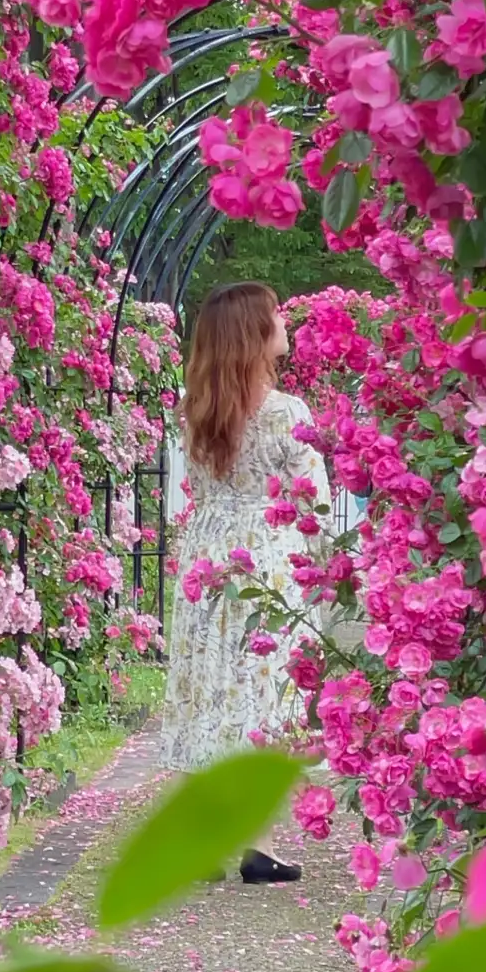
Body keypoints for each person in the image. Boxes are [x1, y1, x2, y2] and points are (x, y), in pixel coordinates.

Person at [160, 281, 329, 883]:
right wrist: (322, 568)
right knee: (261, 692)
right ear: (255, 331)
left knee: (204, 688)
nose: (286, 322)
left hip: (207, 557)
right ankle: (254, 843)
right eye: (276, 314)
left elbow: (198, 490)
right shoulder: (289, 413)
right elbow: (314, 502)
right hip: (266, 558)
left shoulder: (195, 408)